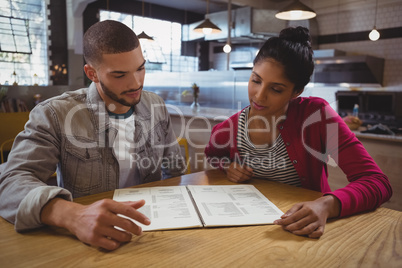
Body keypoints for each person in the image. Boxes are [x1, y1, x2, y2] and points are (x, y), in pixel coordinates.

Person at [0, 20, 185, 250]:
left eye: (140, 68)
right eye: (120, 75)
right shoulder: (55, 113)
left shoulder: (155, 104)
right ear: (92, 73)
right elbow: (10, 181)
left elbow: (175, 169)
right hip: (91, 241)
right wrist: (71, 215)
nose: (136, 83)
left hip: (154, 233)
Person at [204, 26, 392, 238]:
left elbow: (377, 182)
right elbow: (212, 154)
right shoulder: (231, 127)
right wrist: (228, 166)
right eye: (256, 80)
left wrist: (327, 204)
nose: (259, 96)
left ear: (297, 91)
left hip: (298, 232)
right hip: (245, 231)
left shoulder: (316, 116)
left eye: (276, 89)